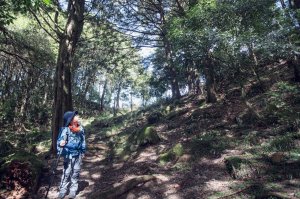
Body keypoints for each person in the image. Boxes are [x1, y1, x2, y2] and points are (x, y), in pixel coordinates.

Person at [57, 111, 86, 199]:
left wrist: (83, 151)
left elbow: (83, 140)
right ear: (71, 120)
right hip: (68, 155)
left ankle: (73, 190)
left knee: (75, 173)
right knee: (66, 173)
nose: (78, 117)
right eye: (75, 116)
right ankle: (62, 190)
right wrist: (60, 143)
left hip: (78, 155)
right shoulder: (65, 130)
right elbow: (59, 141)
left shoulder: (80, 129)